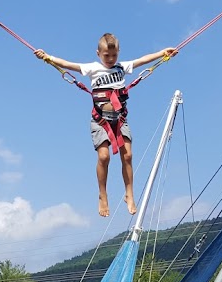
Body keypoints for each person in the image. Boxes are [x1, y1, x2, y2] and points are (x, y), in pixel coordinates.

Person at [34, 35, 177, 217]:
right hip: (100, 120)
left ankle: (129, 193)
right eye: (106, 56)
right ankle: (103, 194)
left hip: (120, 119)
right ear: (98, 53)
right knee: (104, 157)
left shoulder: (121, 67)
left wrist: (163, 53)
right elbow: (69, 65)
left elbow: (142, 60)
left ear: (118, 53)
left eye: (114, 55)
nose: (110, 60)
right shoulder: (93, 68)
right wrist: (47, 57)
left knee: (128, 156)